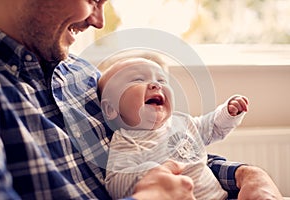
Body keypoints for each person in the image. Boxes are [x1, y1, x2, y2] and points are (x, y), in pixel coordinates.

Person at [0, 0, 283, 199]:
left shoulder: (81, 74)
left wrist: (247, 176)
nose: (99, 21)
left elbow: (164, 146)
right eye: (93, 0)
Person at [98, 53, 248, 199]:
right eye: (138, 79)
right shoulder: (126, 140)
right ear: (111, 108)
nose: (156, 85)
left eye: (162, 80)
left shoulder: (182, 122)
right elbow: (115, 183)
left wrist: (227, 113)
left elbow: (212, 127)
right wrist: (151, 171)